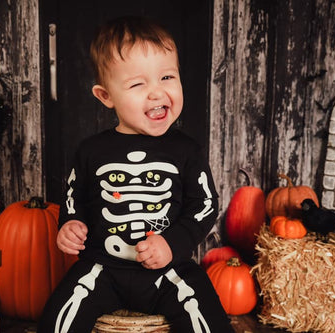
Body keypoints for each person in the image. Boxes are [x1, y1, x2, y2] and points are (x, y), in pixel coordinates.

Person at [38, 16, 234, 333]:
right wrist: (70, 224)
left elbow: (204, 204)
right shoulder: (91, 151)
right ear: (106, 96)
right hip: (102, 267)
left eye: (167, 77)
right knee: (60, 314)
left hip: (170, 268)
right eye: (138, 84)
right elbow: (75, 197)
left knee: (206, 313)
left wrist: (173, 242)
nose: (156, 93)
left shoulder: (186, 151)